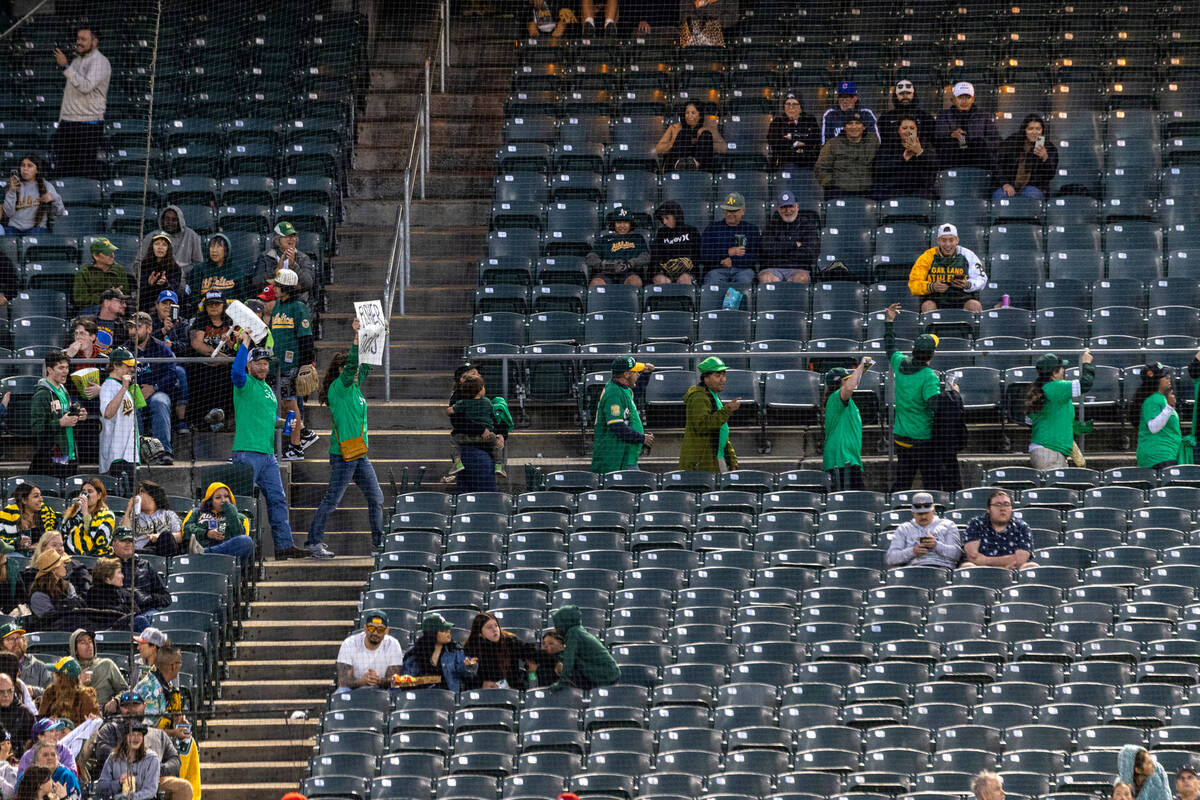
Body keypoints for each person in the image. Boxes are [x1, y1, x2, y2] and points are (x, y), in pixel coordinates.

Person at [306, 320, 383, 556]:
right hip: (344, 455)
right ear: (342, 370)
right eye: (352, 368)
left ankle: (378, 546)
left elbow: (366, 364)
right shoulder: (339, 387)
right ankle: (313, 542)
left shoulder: (355, 389)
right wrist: (357, 338)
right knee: (332, 499)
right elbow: (354, 365)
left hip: (358, 453)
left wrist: (377, 334)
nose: (358, 371)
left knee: (376, 498)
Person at [231, 330, 310, 560]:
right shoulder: (244, 384)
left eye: (266, 362)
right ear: (249, 365)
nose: (264, 367)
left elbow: (267, 418)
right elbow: (236, 372)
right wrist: (244, 343)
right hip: (247, 452)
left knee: (277, 499)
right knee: (242, 502)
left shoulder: (267, 389)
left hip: (267, 455)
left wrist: (285, 422)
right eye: (258, 362)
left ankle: (284, 546)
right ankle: (240, 549)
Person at [85, 690, 187, 800]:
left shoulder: (159, 734)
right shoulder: (110, 729)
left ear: (144, 707)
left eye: (135, 705)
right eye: (126, 706)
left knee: (184, 788)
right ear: (120, 709)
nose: (131, 709)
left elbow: (175, 761)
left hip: (154, 780)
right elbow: (103, 751)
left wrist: (156, 769)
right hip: (119, 780)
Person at [884, 304, 941, 492]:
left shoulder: (900, 363)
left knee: (903, 482)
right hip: (923, 439)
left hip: (902, 437)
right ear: (932, 354)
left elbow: (890, 347)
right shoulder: (929, 376)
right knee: (931, 482)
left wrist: (889, 321)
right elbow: (935, 405)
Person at [132, 646, 198, 800]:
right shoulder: (151, 689)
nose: (180, 667)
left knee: (189, 743)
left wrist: (177, 724)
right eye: (180, 663)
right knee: (185, 746)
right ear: (174, 666)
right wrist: (174, 733)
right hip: (143, 756)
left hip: (160, 747)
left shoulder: (164, 685)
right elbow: (143, 731)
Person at [270, 268, 318, 461]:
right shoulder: (277, 307)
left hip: (292, 365)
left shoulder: (298, 307)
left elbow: (306, 338)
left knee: (290, 404)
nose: (274, 288)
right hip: (277, 365)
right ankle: (303, 434)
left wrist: (306, 364)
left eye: (278, 286)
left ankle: (296, 446)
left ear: (287, 288)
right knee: (284, 406)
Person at [51, 27, 110, 180]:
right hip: (68, 122)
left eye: (83, 39)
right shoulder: (77, 61)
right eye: (78, 39)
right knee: (63, 171)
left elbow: (85, 86)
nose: (79, 42)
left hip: (87, 124)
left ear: (95, 41)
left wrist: (65, 66)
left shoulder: (100, 61)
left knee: (86, 171)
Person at [1027, 350, 1094, 470]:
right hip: (1050, 451)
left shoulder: (1039, 389)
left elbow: (1029, 421)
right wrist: (1086, 363)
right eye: (1061, 367)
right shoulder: (1056, 387)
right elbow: (1085, 383)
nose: (1063, 370)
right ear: (1054, 372)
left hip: (1047, 451)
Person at [590, 356, 654, 474]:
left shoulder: (624, 389)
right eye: (635, 372)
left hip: (625, 456)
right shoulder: (613, 394)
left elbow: (637, 391)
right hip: (614, 458)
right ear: (626, 374)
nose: (638, 375)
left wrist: (646, 375)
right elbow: (617, 426)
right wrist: (641, 438)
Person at [127, 312, 176, 465]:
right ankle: (136, 452)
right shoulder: (125, 349)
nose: (133, 331)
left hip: (157, 391)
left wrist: (154, 388)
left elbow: (172, 374)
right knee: (131, 405)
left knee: (159, 402)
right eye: (131, 327)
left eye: (138, 327)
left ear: (149, 329)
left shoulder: (161, 348)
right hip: (132, 392)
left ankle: (163, 451)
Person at [679, 357, 740, 474]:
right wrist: (727, 410)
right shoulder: (699, 397)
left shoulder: (712, 396)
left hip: (716, 457)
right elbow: (703, 425)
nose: (723, 380)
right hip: (702, 462)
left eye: (724, 375)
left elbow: (720, 431)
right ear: (706, 378)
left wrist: (731, 460)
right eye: (718, 376)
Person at [29, 353, 84, 479]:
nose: (65, 371)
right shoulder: (41, 395)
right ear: (49, 369)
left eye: (67, 367)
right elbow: (36, 427)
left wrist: (78, 415)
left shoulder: (63, 390)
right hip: (54, 456)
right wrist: (60, 423)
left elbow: (65, 416)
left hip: (70, 453)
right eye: (61, 368)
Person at [908, 223, 987, 312]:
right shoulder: (926, 257)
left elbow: (982, 279)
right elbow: (913, 284)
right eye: (944, 240)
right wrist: (932, 286)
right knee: (927, 306)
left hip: (962, 297)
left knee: (974, 305)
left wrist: (967, 284)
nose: (947, 244)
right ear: (938, 241)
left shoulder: (969, 255)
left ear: (957, 240)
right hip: (935, 298)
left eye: (951, 240)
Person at [187, 291, 237, 425]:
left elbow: (237, 346)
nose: (214, 307)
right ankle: (201, 421)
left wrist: (227, 353)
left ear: (223, 306)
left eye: (217, 304)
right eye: (210, 305)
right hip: (205, 366)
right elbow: (196, 343)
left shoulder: (231, 322)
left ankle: (225, 418)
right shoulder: (201, 321)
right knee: (201, 376)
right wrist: (215, 355)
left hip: (226, 366)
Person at [823, 359, 873, 491]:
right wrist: (861, 365)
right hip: (841, 460)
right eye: (845, 380)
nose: (850, 382)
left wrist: (863, 369)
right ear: (837, 384)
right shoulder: (835, 398)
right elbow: (850, 387)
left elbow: (851, 384)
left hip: (848, 459)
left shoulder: (841, 401)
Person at [448, 375, 502, 493]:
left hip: (476, 448)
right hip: (473, 450)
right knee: (486, 494)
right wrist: (482, 430)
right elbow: (458, 422)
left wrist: (500, 434)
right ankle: (499, 464)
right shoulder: (463, 398)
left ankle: (457, 463)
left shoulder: (477, 402)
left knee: (466, 492)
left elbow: (493, 419)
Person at [546, 605, 620, 692]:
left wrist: (562, 682)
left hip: (606, 674)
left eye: (557, 623)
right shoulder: (578, 630)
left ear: (564, 622)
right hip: (609, 672)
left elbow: (569, 660)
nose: (556, 628)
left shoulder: (573, 633)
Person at [180, 483, 255, 566]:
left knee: (246, 541)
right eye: (218, 497)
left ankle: (204, 552)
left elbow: (240, 536)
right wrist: (206, 533)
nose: (223, 500)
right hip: (200, 561)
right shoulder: (196, 513)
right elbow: (185, 530)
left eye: (226, 496)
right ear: (210, 500)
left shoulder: (241, 517)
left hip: (227, 561)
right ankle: (202, 551)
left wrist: (231, 513)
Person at [400, 614, 478, 693]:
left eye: (448, 629)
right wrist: (431, 679)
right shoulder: (415, 652)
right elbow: (405, 682)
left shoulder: (455, 651)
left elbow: (468, 675)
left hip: (448, 699)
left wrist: (469, 667)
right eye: (443, 630)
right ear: (432, 634)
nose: (448, 631)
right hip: (422, 699)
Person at [934, 82, 1001, 172]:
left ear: (973, 99)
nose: (964, 101)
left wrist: (978, 144)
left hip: (978, 162)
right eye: (960, 97)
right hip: (952, 161)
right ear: (953, 99)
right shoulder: (943, 116)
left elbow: (996, 141)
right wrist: (951, 135)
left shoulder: (984, 116)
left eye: (968, 97)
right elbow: (937, 140)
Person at [463, 612, 540, 690]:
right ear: (480, 633)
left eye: (496, 626)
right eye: (489, 627)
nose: (495, 630)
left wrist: (532, 661)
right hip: (484, 694)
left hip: (512, 691)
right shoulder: (470, 648)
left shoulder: (510, 641)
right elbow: (466, 679)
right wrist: (481, 684)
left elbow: (531, 651)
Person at [885, 493, 963, 569]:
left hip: (942, 569)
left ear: (933, 510)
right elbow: (891, 558)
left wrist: (936, 545)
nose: (923, 517)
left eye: (926, 513)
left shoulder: (948, 525)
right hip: (915, 571)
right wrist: (913, 551)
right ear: (913, 513)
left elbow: (957, 555)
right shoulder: (904, 528)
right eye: (919, 514)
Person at [962, 489, 1035, 569]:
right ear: (988, 509)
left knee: (1031, 566)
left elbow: (1020, 559)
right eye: (998, 504)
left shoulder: (1022, 527)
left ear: (1011, 508)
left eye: (1006, 504)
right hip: (981, 572)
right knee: (967, 566)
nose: (1002, 508)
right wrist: (1006, 563)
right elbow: (973, 557)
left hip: (1013, 572)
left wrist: (985, 560)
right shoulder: (976, 524)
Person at [815, 110, 879, 200]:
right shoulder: (832, 144)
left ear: (863, 127)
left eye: (857, 123)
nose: (854, 127)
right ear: (844, 127)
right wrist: (831, 184)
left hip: (866, 194)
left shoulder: (873, 143)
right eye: (850, 123)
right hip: (839, 193)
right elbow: (821, 168)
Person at [993, 114, 1058, 201]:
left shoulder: (1049, 148)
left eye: (1038, 129)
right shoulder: (1011, 143)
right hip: (1010, 185)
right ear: (1024, 130)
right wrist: (1005, 184)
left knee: (1030, 192)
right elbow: (998, 166)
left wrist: (1045, 158)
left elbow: (1049, 175)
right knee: (1000, 195)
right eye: (1030, 129)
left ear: (1042, 131)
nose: (1034, 132)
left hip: (1033, 187)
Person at [98, 348, 138, 487]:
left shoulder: (123, 387)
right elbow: (108, 413)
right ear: (115, 365)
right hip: (116, 455)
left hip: (128, 454)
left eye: (132, 366)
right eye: (127, 366)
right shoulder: (108, 387)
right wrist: (124, 389)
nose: (131, 369)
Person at [700, 192, 760, 285]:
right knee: (713, 280)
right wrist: (727, 253)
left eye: (734, 211)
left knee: (745, 279)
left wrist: (733, 262)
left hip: (743, 271)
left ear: (743, 211)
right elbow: (705, 255)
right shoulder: (711, 229)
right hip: (716, 270)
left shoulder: (751, 230)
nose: (729, 214)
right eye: (727, 210)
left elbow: (754, 257)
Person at [759, 191, 819, 284]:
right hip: (773, 268)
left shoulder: (808, 226)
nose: (788, 210)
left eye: (790, 206)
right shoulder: (770, 226)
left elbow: (810, 254)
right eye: (784, 207)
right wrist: (795, 244)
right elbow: (767, 250)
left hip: (799, 269)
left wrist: (780, 247)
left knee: (801, 278)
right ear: (778, 209)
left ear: (797, 206)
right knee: (765, 278)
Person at [873, 115, 938, 200]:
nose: (908, 131)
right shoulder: (888, 146)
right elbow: (879, 168)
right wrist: (903, 158)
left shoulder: (926, 145)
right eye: (904, 128)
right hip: (894, 191)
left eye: (912, 128)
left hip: (920, 191)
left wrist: (920, 152)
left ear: (916, 130)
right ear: (898, 130)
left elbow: (935, 165)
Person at [335, 610, 404, 690]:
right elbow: (343, 681)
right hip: (354, 690)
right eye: (371, 628)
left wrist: (378, 681)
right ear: (365, 628)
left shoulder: (393, 644)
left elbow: (394, 680)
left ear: (386, 631)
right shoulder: (349, 643)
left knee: (395, 690)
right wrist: (362, 681)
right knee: (342, 690)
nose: (375, 633)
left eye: (380, 629)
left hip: (383, 691)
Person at [1131, 363, 1182, 469]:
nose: (1168, 377)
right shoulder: (1152, 400)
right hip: (1158, 456)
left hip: (1166, 454)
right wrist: (1170, 406)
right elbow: (1153, 427)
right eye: (1164, 376)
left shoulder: (1161, 398)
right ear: (1155, 380)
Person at [251, 221, 314, 303]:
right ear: (278, 239)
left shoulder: (303, 258)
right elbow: (256, 282)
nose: (292, 239)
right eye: (287, 236)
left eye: (293, 236)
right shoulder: (265, 257)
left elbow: (307, 284)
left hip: (296, 301)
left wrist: (293, 265)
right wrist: (277, 271)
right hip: (270, 300)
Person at [96, 719, 159, 800]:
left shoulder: (152, 759)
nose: (136, 738)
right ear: (125, 738)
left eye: (139, 735)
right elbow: (100, 788)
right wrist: (118, 783)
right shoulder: (113, 757)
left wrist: (127, 798)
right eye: (132, 734)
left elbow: (151, 790)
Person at [586, 207, 650, 287]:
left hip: (629, 273)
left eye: (626, 222)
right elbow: (590, 257)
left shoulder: (637, 238)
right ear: (614, 224)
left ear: (631, 223)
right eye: (619, 222)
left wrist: (629, 264)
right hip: (606, 273)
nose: (622, 226)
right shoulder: (604, 239)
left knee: (635, 281)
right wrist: (604, 264)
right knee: (596, 283)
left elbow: (645, 257)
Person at [655, 102, 725, 171]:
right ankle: (681, 163)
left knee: (706, 135)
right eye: (687, 113)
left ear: (700, 115)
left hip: (701, 168)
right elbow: (658, 149)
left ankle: (694, 164)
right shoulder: (674, 128)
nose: (689, 116)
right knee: (684, 133)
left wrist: (701, 142)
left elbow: (724, 148)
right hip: (676, 167)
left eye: (693, 113)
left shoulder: (708, 128)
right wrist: (674, 142)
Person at [2, 156, 64, 236]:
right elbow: (8, 213)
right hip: (14, 229)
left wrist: (53, 198)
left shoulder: (47, 186)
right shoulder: (14, 185)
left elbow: (60, 212)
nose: (25, 169)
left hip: (36, 229)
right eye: (23, 165)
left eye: (29, 166)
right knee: (7, 233)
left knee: (35, 233)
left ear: (37, 170)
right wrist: (12, 191)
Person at [84, 558, 149, 632]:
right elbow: (108, 616)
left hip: (125, 628)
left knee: (142, 618)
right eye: (119, 573)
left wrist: (123, 611)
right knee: (140, 620)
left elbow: (136, 612)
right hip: (108, 631)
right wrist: (125, 610)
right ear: (107, 579)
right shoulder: (94, 594)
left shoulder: (124, 592)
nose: (122, 576)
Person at [68, 630, 126, 713]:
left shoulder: (106, 664)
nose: (89, 645)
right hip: (77, 715)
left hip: (104, 713)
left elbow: (125, 690)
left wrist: (116, 700)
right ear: (75, 649)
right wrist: (79, 683)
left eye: (90, 641)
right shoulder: (68, 669)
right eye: (83, 642)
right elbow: (61, 700)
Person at [119, 483, 182, 558]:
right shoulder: (133, 516)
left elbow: (180, 536)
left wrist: (158, 537)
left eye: (142, 492)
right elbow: (123, 535)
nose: (137, 496)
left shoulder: (168, 514)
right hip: (139, 553)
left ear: (152, 496)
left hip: (162, 552)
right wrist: (129, 509)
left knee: (166, 535)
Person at [134, 207, 201, 273]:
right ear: (162, 220)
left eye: (174, 220)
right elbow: (138, 263)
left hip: (185, 280)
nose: (170, 222)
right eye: (167, 219)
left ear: (180, 221)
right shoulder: (151, 237)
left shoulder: (191, 236)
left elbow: (198, 263)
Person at [60, 479, 115, 558]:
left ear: (99, 495)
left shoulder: (107, 516)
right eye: (83, 491)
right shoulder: (73, 513)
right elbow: (63, 533)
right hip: (70, 557)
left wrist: (85, 513)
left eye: (90, 491)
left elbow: (98, 540)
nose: (86, 495)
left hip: (96, 558)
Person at [648, 200, 700, 284]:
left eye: (667, 218)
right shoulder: (661, 233)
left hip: (688, 273)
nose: (664, 222)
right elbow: (655, 258)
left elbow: (697, 256)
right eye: (662, 219)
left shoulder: (692, 231)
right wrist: (660, 271)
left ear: (676, 216)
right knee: (660, 280)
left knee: (684, 279)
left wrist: (685, 265)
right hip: (666, 274)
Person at [36, 658, 98, 728]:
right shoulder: (50, 692)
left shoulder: (85, 695)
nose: (52, 674)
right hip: (51, 736)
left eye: (55, 673)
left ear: (61, 677)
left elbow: (90, 725)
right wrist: (48, 722)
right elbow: (40, 720)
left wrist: (63, 725)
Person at [72, 239, 130, 314]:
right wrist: (105, 296)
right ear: (96, 256)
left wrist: (117, 295)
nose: (112, 255)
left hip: (116, 308)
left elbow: (126, 292)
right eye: (107, 253)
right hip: (91, 311)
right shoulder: (84, 273)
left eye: (112, 251)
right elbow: (79, 299)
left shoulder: (119, 271)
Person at [185, 234, 244, 304]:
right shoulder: (199, 269)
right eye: (212, 246)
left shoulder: (237, 272)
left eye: (219, 246)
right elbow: (193, 296)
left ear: (226, 250)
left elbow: (242, 298)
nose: (214, 250)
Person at [767, 92, 820, 169]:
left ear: (800, 108)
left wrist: (790, 139)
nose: (791, 107)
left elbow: (815, 139)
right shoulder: (777, 122)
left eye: (794, 104)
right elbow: (774, 141)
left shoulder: (810, 120)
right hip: (786, 163)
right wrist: (795, 143)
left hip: (808, 163)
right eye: (788, 104)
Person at [877, 79, 936, 147]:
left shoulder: (926, 118)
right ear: (896, 96)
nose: (905, 96)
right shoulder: (885, 118)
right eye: (901, 93)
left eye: (908, 93)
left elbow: (932, 143)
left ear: (914, 95)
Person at [0, 485, 58, 553]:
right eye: (36, 496)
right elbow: (2, 542)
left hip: (42, 554)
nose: (41, 499)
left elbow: (54, 539)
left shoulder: (46, 513)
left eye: (40, 495)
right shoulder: (8, 514)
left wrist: (40, 546)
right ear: (24, 500)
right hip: (15, 554)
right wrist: (17, 542)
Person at [133, 234, 182, 314]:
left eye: (164, 245)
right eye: (157, 244)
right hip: (147, 307)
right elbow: (139, 293)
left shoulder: (175, 268)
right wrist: (149, 284)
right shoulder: (144, 265)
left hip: (167, 308)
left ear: (168, 249)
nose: (160, 247)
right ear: (152, 247)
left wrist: (165, 283)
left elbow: (175, 292)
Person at [28, 549, 80, 624]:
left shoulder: (68, 586)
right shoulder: (38, 595)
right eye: (62, 563)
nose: (65, 565)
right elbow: (49, 621)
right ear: (54, 570)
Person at [1, 625, 51, 692]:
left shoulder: (39, 666)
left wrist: (33, 691)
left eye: (19, 638)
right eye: (11, 639)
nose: (16, 642)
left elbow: (52, 693)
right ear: (1, 644)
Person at [0, 674, 33, 755]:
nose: (6, 695)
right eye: (1, 691)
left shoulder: (25, 713)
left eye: (9, 691)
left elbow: (33, 746)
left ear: (13, 690)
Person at [90, 289, 130, 354]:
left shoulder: (125, 326)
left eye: (125, 302)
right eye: (121, 302)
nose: (125, 305)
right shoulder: (87, 322)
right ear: (106, 303)